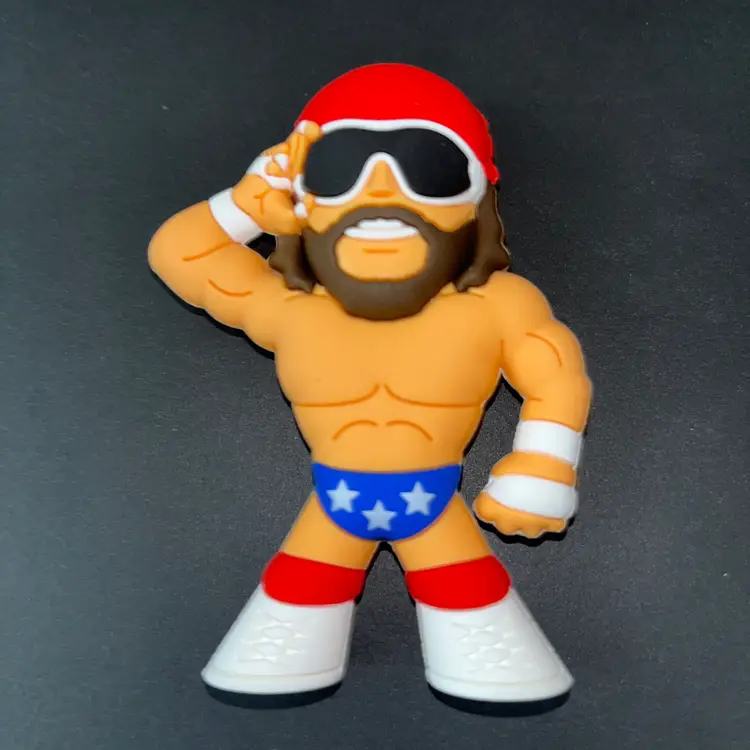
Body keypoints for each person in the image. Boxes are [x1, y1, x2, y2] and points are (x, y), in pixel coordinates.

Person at [149, 63, 592, 704]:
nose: (381, 188)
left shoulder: (498, 305)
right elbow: (179, 253)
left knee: (475, 620)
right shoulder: (291, 308)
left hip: (431, 496)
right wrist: (244, 206)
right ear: (305, 194)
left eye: (429, 166)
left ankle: (491, 660)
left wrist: (544, 463)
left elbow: (553, 374)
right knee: (295, 612)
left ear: (474, 198)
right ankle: (289, 652)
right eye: (340, 165)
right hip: (336, 497)